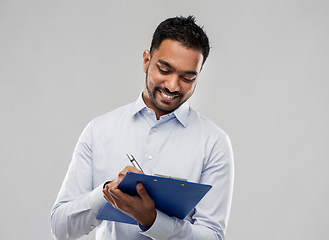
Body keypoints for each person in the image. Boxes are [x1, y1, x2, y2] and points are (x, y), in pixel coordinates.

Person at [50, 15, 234, 240]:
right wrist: (107, 193)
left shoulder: (214, 142)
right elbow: (61, 228)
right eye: (164, 70)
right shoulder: (99, 131)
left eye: (187, 77)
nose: (173, 85)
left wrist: (152, 220)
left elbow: (213, 236)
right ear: (147, 60)